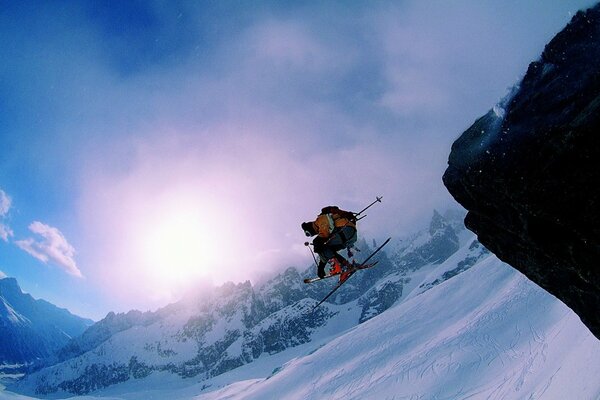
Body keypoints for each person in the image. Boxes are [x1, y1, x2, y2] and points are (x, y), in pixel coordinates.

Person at [302, 206, 358, 278]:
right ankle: (346, 265)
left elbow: (325, 229)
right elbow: (325, 250)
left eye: (308, 234)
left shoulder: (320, 219)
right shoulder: (331, 216)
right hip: (351, 236)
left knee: (318, 243)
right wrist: (321, 267)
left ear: (310, 228)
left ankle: (340, 265)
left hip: (344, 231)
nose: (311, 235)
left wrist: (318, 241)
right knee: (328, 249)